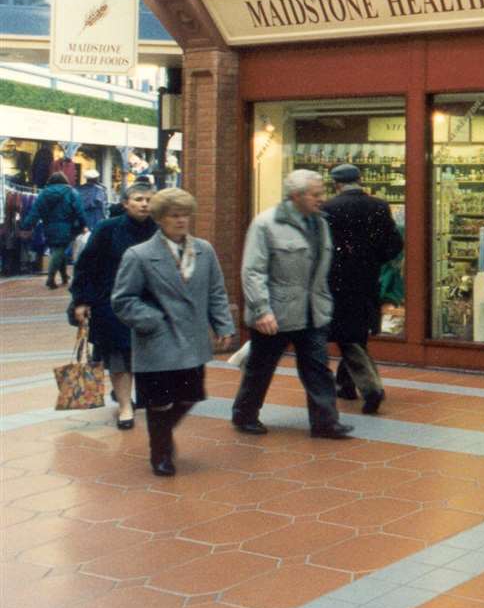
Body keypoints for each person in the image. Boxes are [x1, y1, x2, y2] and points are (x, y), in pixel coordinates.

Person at [110, 189, 237, 476]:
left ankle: (161, 436)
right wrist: (152, 320)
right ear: (160, 219)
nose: (181, 221)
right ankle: (161, 453)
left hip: (191, 338)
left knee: (190, 395)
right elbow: (122, 299)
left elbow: (216, 290)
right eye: (174, 216)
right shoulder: (140, 255)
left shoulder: (204, 250)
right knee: (160, 401)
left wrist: (223, 323)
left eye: (185, 215)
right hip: (157, 340)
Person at [233, 169, 352, 439]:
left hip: (312, 311)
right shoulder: (266, 224)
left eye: (322, 193)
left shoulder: (320, 223)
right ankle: (245, 414)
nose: (322, 199)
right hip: (276, 312)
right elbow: (252, 270)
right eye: (316, 194)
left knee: (318, 368)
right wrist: (261, 310)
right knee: (261, 367)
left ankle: (326, 423)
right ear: (296, 196)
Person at [70, 183, 158, 430]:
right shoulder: (107, 229)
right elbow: (86, 266)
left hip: (150, 305)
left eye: (149, 200)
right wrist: (82, 299)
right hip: (112, 304)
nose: (144, 204)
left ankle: (142, 398)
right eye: (138, 199)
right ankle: (125, 406)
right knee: (119, 358)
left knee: (148, 356)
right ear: (125, 203)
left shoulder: (160, 230)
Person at [322, 164, 402, 415]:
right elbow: (393, 244)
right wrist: (374, 261)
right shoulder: (378, 206)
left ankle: (370, 388)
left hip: (336, 280)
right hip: (367, 279)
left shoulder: (328, 208)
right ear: (360, 180)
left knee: (348, 334)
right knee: (357, 330)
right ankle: (346, 383)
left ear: (336, 184)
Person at [21, 172, 84, 289]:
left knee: (58, 250)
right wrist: (83, 224)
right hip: (66, 226)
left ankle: (64, 276)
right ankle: (50, 278)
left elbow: (35, 212)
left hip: (48, 227)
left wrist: (26, 225)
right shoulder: (71, 192)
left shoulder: (44, 194)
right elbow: (79, 210)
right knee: (59, 250)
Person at [76, 169, 110, 235]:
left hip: (82, 216)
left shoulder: (79, 189)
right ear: (96, 178)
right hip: (96, 216)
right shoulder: (99, 189)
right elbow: (103, 205)